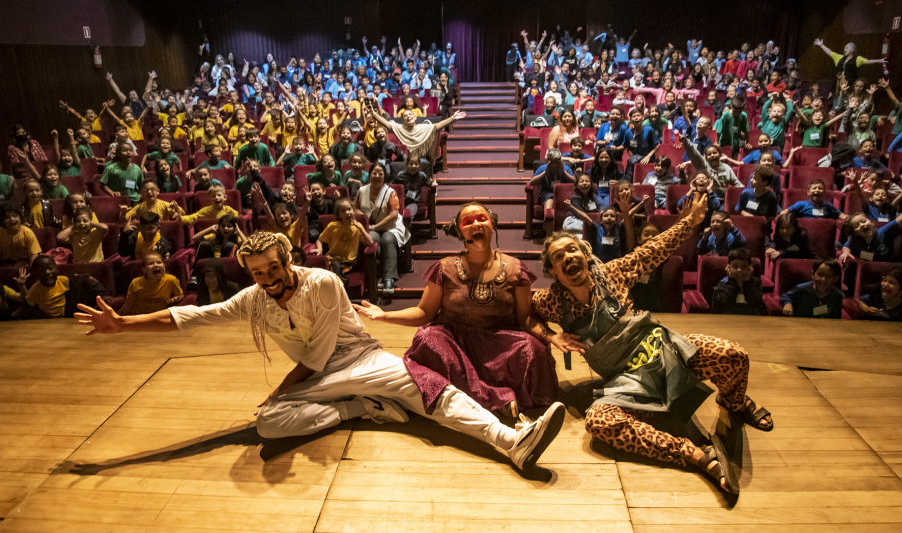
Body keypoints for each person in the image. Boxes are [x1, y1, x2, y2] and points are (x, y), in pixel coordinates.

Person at [75, 232, 567, 473]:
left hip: (360, 362)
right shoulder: (253, 299)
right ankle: (362, 408)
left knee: (429, 389)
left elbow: (316, 358)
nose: (265, 281)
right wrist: (123, 325)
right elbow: (190, 317)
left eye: (271, 270)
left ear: (286, 260)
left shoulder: (324, 284)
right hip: (330, 382)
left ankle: (510, 441)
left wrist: (279, 391)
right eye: (256, 274)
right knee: (268, 426)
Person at [532, 193, 771, 496]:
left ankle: (734, 404)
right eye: (558, 257)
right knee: (599, 422)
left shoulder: (612, 272)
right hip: (626, 380)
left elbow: (653, 251)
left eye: (572, 250)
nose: (567, 257)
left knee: (733, 355)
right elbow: (522, 310)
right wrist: (550, 335)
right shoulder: (551, 301)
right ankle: (695, 454)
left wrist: (690, 221)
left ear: (585, 254)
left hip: (664, 349)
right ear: (553, 272)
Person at [354, 203, 560, 419]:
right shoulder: (445, 268)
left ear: (493, 224)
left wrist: (552, 336)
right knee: (427, 338)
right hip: (454, 342)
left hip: (499, 344)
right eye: (468, 222)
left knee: (533, 349)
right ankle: (495, 399)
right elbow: (424, 313)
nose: (476, 224)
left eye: (482, 219)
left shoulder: (516, 269)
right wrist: (384, 315)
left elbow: (525, 318)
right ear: (460, 232)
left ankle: (472, 399)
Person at [355, 163, 411, 295]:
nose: (377, 176)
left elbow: (393, 215)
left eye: (380, 173)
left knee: (387, 240)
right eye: (374, 173)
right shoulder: (362, 190)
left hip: (390, 227)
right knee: (371, 241)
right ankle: (377, 274)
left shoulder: (390, 192)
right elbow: (355, 207)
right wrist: (364, 219)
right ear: (369, 175)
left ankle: (388, 278)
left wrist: (374, 226)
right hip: (370, 228)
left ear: (384, 176)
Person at [368, 106, 465, 172]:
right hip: (405, 159)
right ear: (404, 121)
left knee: (425, 166)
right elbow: (387, 124)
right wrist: (374, 114)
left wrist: (452, 118)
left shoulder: (422, 127)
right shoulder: (400, 127)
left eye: (410, 114)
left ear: (415, 118)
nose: (408, 116)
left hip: (420, 158)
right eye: (405, 116)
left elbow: (437, 126)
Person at [15, 255, 108, 319]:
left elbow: (86, 280)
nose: (47, 273)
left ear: (57, 270)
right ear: (36, 275)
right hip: (46, 322)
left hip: (67, 318)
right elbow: (26, 307)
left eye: (50, 268)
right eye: (42, 270)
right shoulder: (35, 290)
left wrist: (102, 295)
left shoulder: (63, 280)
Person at [121, 251, 184, 315]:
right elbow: (128, 306)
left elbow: (180, 295)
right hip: (139, 317)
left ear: (164, 266)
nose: (156, 265)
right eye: (151, 263)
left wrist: (175, 299)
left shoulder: (171, 280)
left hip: (160, 317)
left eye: (159, 262)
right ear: (144, 269)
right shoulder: (135, 283)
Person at [712, 248, 763, 315]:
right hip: (728, 319)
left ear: (750, 268)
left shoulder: (756, 283)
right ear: (728, 267)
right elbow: (723, 304)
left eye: (744, 266)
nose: (739, 270)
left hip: (750, 319)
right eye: (735, 266)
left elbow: (754, 302)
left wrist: (747, 282)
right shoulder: (724, 283)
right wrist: (731, 281)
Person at [813, 39, 886, 84]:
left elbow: (868, 61)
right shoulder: (839, 57)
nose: (845, 49)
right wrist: (821, 45)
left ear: (853, 50)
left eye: (847, 47)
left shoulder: (857, 59)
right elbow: (829, 52)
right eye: (844, 48)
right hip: (838, 84)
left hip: (850, 84)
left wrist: (879, 61)